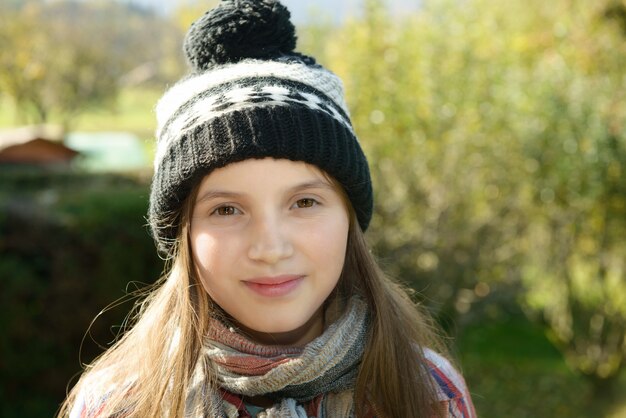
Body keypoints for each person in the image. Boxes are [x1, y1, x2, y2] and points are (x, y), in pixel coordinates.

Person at [58, 1, 476, 417]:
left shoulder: (428, 394)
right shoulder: (120, 404)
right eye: (226, 210)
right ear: (182, 232)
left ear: (349, 216)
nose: (270, 248)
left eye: (305, 202)